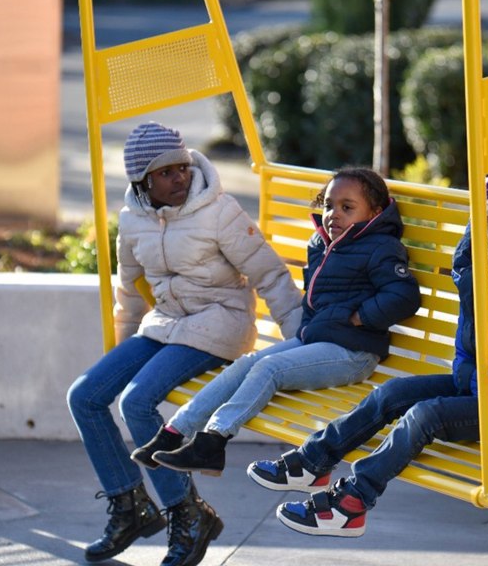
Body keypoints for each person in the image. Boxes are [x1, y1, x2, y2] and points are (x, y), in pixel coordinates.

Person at [249, 169, 488, 537]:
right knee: (390, 394)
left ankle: (353, 502)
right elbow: (470, 249)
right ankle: (313, 461)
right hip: (473, 384)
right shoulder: (480, 264)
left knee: (426, 415)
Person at [66, 122, 304, 566]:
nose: (180, 178)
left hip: (220, 323)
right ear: (143, 181)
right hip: (166, 324)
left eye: (183, 167)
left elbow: (269, 274)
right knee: (84, 395)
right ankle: (130, 506)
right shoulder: (133, 220)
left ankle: (187, 513)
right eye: (167, 173)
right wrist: (122, 350)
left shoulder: (219, 211)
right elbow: (129, 288)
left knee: (137, 402)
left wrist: (302, 343)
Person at [131, 167, 421, 477]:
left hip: (353, 353)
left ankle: (212, 442)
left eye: (347, 208)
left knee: (268, 369)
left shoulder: (380, 247)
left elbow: (404, 295)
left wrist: (359, 316)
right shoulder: (323, 244)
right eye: (328, 205)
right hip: (317, 341)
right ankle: (173, 433)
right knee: (246, 363)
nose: (334, 214)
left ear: (375, 213)